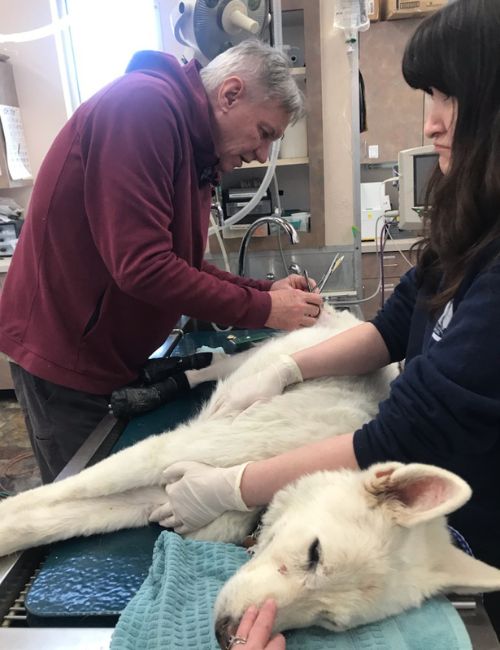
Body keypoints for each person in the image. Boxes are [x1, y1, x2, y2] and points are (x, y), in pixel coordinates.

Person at [149, 0, 500, 635]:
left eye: (446, 98)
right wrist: (286, 365)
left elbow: (398, 442)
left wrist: (236, 485)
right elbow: (391, 330)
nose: (432, 124)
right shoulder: (473, 233)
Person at [0, 40, 323, 484]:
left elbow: (181, 264)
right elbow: (144, 266)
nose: (262, 155)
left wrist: (265, 292)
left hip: (106, 355)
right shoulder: (142, 109)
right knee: (87, 505)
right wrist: (265, 310)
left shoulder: (197, 151)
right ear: (229, 94)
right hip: (66, 355)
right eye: (265, 133)